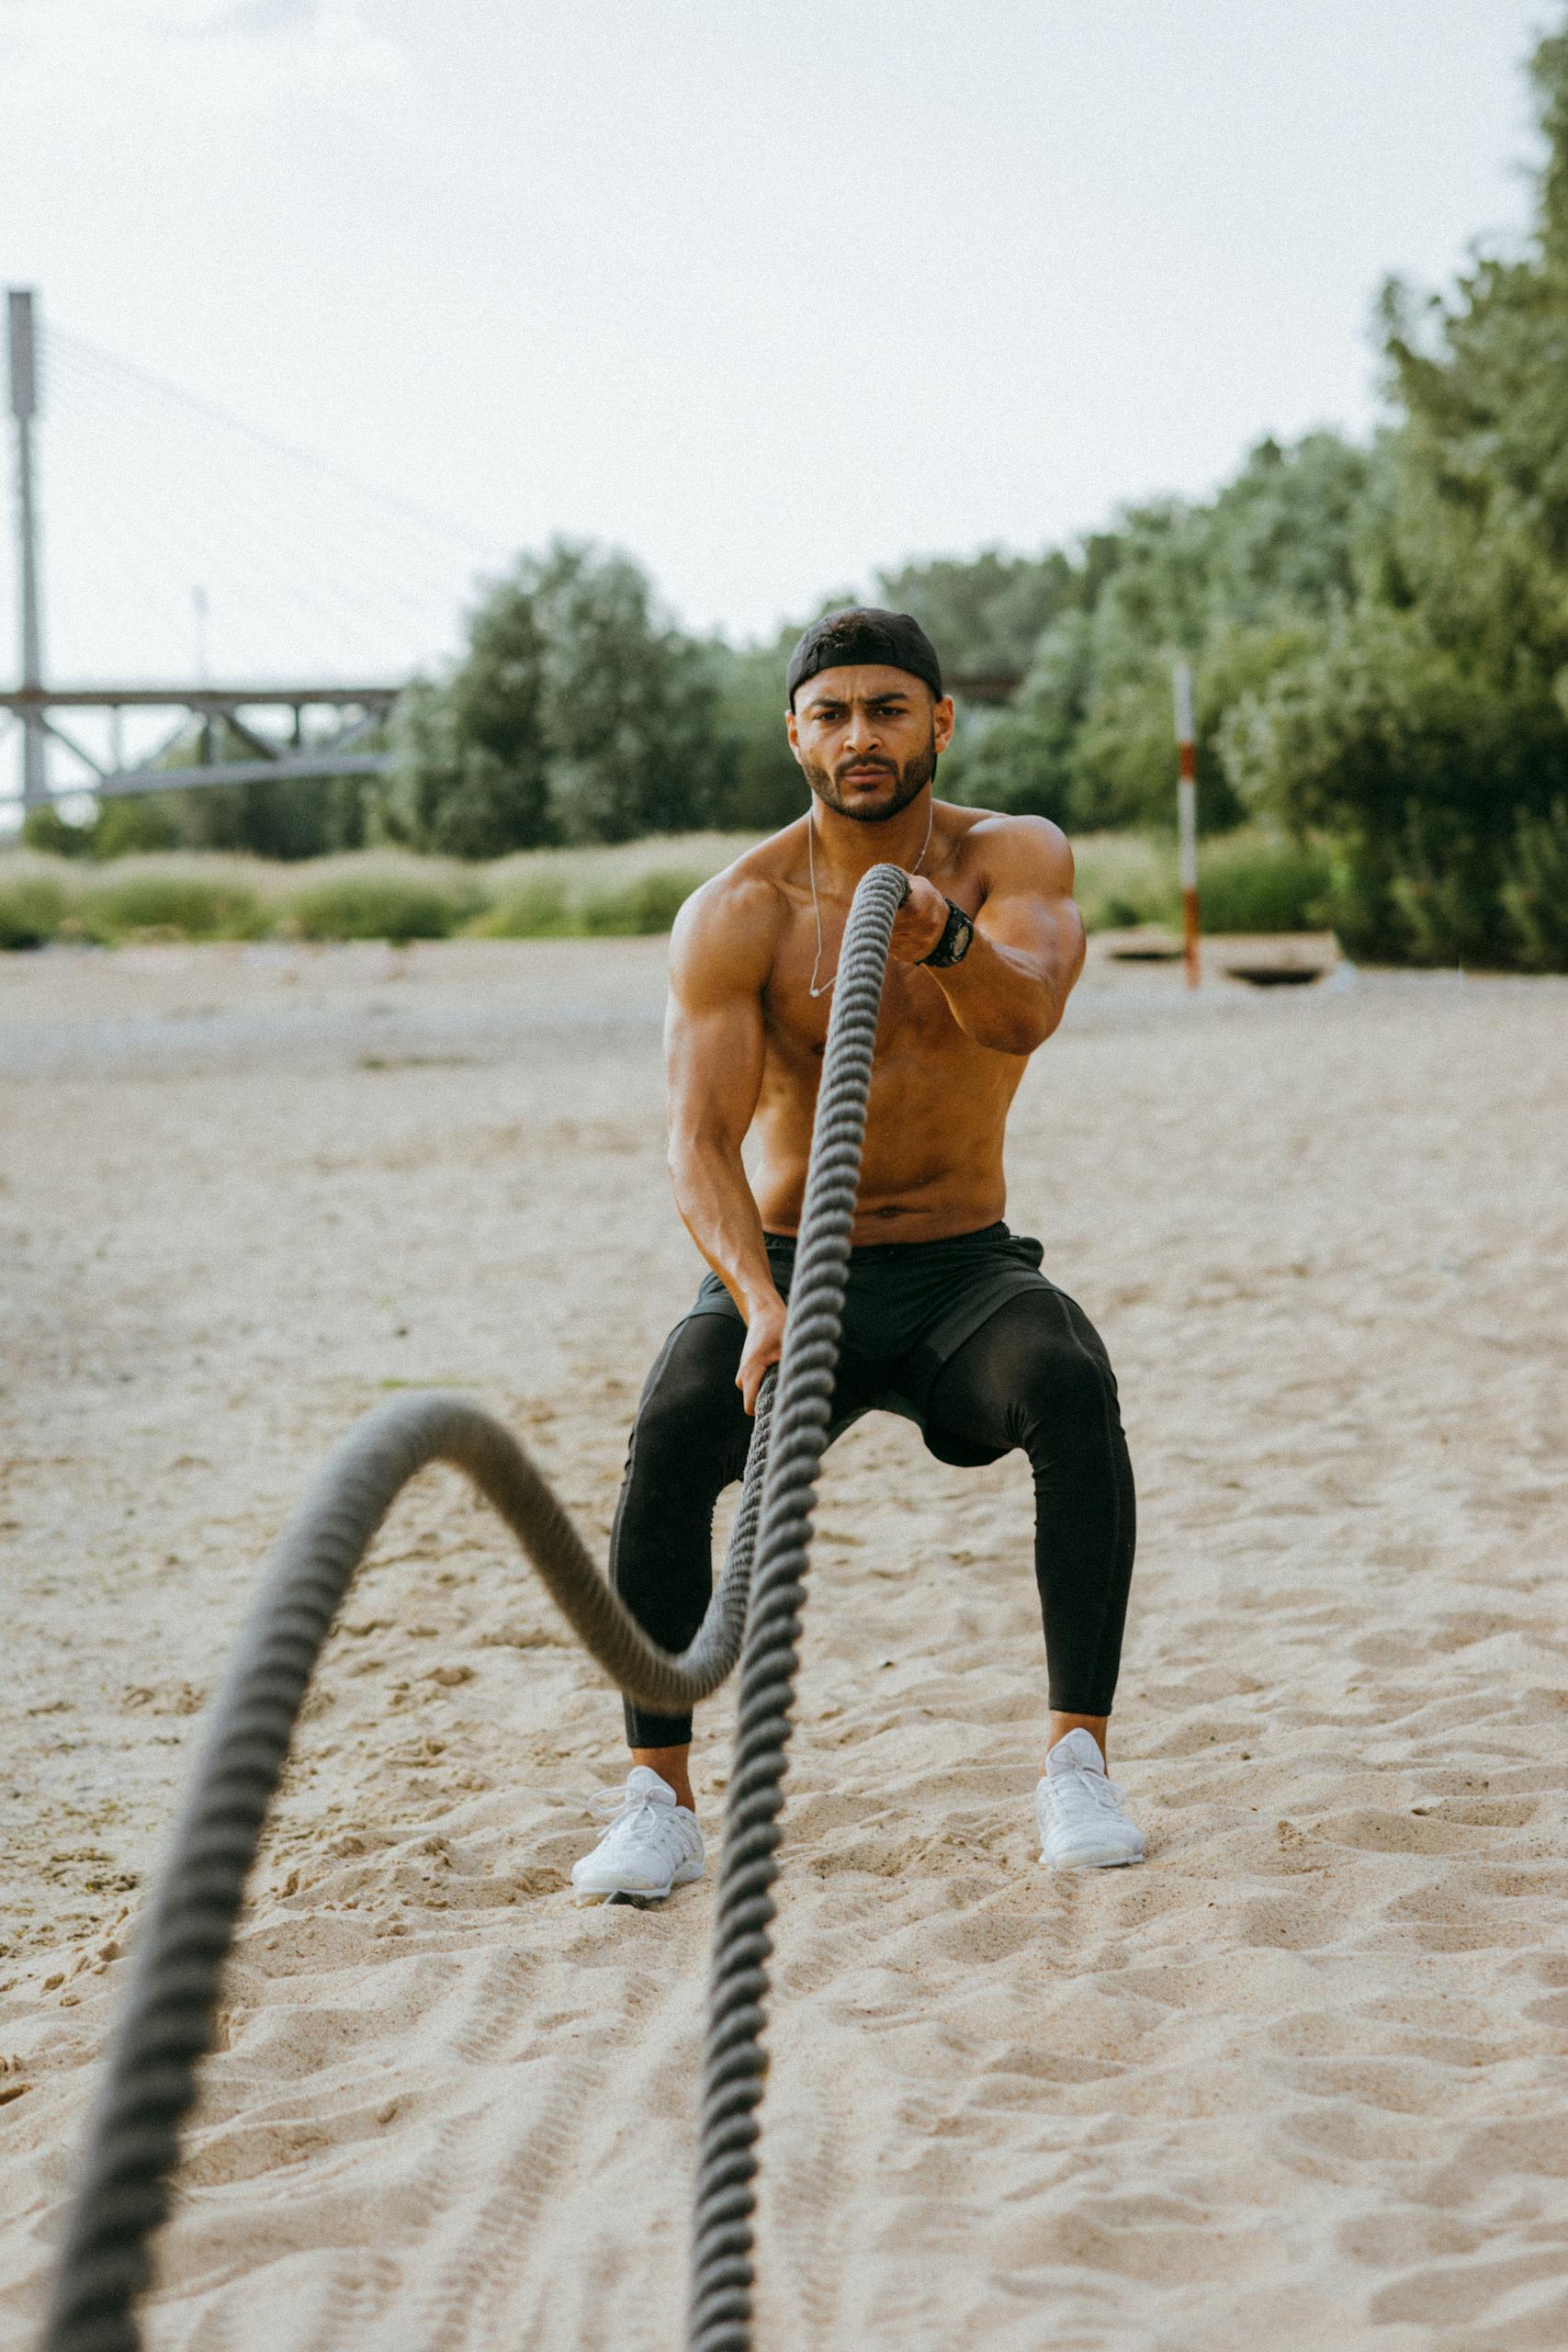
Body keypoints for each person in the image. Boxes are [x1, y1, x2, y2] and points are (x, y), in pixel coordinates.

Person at [571, 607, 1143, 1903]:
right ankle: (657, 1798)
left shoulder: (1015, 858)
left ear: (940, 723)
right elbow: (695, 1146)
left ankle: (1077, 1767)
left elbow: (1028, 1013)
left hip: (958, 1271)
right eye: (831, 714)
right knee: (670, 1428)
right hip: (785, 1269)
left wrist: (939, 929)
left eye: (888, 708)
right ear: (795, 737)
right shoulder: (737, 911)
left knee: (1067, 1379)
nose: (859, 736)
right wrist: (759, 1302)